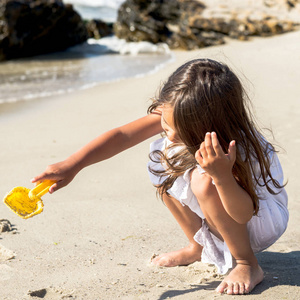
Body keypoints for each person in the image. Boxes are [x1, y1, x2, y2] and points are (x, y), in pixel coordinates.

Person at [32, 59, 288, 295]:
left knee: (204, 181)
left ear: (210, 123)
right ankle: (197, 246)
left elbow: (244, 214)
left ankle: (247, 263)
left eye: (180, 130)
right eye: (166, 126)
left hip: (259, 218)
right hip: (228, 211)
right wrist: (73, 165)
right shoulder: (177, 111)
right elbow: (123, 135)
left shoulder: (233, 146)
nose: (172, 135)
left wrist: (222, 177)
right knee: (164, 160)